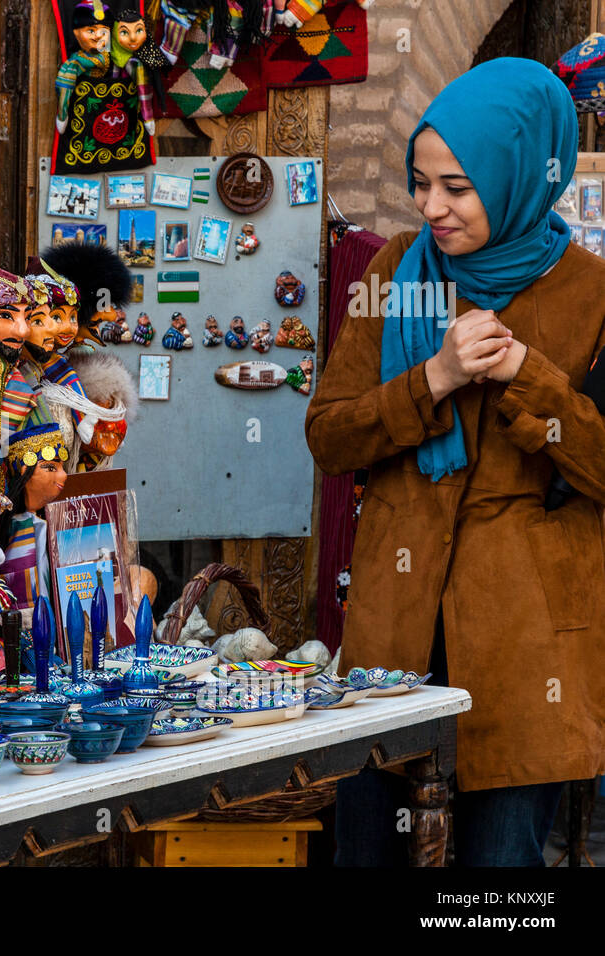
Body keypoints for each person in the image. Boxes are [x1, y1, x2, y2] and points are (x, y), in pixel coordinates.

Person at [305, 58, 605, 867]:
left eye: (458, 188)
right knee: (371, 850)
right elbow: (330, 437)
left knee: (495, 879)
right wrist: (431, 379)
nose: (431, 207)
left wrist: (526, 378)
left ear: (517, 176)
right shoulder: (397, 274)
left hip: (524, 643)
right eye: (421, 182)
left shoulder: (591, 295)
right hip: (393, 635)